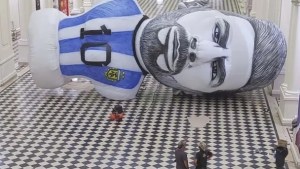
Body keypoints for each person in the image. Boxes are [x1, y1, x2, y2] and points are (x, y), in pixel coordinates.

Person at [28, 0, 286, 100]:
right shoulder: (124, 5)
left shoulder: (123, 86)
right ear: (199, 8)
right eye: (217, 33)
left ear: (192, 91)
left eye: (215, 70)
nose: (199, 51)